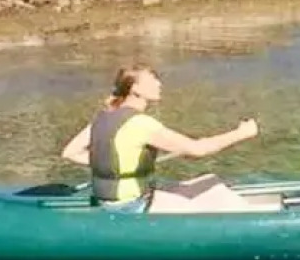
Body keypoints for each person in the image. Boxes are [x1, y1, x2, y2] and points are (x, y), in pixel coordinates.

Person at [61, 63, 259, 213]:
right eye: (152, 80)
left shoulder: (102, 117)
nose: (159, 83)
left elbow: (70, 153)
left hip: (107, 201)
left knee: (211, 181)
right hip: (131, 206)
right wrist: (241, 134)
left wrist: (116, 163)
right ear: (135, 89)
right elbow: (197, 150)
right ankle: (256, 225)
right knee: (211, 203)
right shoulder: (141, 123)